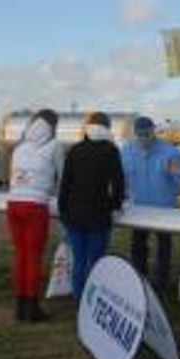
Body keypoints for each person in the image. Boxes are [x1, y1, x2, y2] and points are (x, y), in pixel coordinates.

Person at [58, 111, 125, 300]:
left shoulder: (75, 149)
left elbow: (65, 183)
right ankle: (95, 299)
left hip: (73, 213)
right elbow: (118, 182)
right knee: (96, 261)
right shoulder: (110, 150)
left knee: (79, 260)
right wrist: (116, 205)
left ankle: (79, 298)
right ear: (107, 128)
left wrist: (63, 210)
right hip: (98, 214)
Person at [121, 116, 180, 290]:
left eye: (147, 134)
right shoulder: (127, 150)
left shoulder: (169, 151)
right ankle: (138, 276)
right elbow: (120, 175)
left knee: (164, 245)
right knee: (138, 244)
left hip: (164, 209)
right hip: (138, 209)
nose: (144, 138)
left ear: (153, 132)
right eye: (140, 134)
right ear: (134, 134)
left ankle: (161, 279)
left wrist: (179, 171)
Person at [6, 108, 63, 323]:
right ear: (53, 126)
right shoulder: (54, 146)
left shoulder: (20, 147)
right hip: (35, 206)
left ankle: (20, 306)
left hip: (13, 204)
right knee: (33, 257)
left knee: (20, 255)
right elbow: (62, 177)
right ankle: (32, 308)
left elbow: (13, 176)